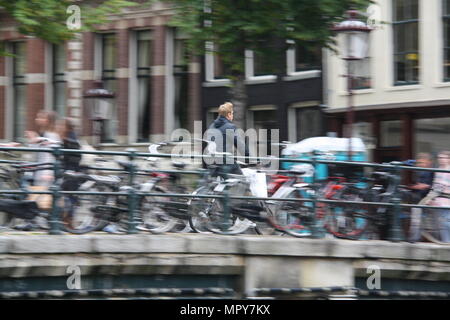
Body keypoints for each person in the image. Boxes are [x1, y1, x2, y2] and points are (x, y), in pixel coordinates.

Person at [206, 102, 249, 177]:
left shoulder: (211, 126)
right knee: (242, 181)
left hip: (212, 162)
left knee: (215, 185)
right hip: (226, 162)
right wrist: (249, 157)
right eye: (232, 113)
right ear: (229, 114)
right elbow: (240, 145)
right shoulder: (229, 127)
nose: (232, 116)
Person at [25, 110, 61, 187]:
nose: (37, 119)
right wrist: (33, 140)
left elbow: (50, 155)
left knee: (42, 195)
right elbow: (36, 151)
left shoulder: (52, 135)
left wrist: (47, 173)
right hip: (40, 171)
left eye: (41, 117)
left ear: (48, 121)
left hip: (45, 173)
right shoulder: (44, 134)